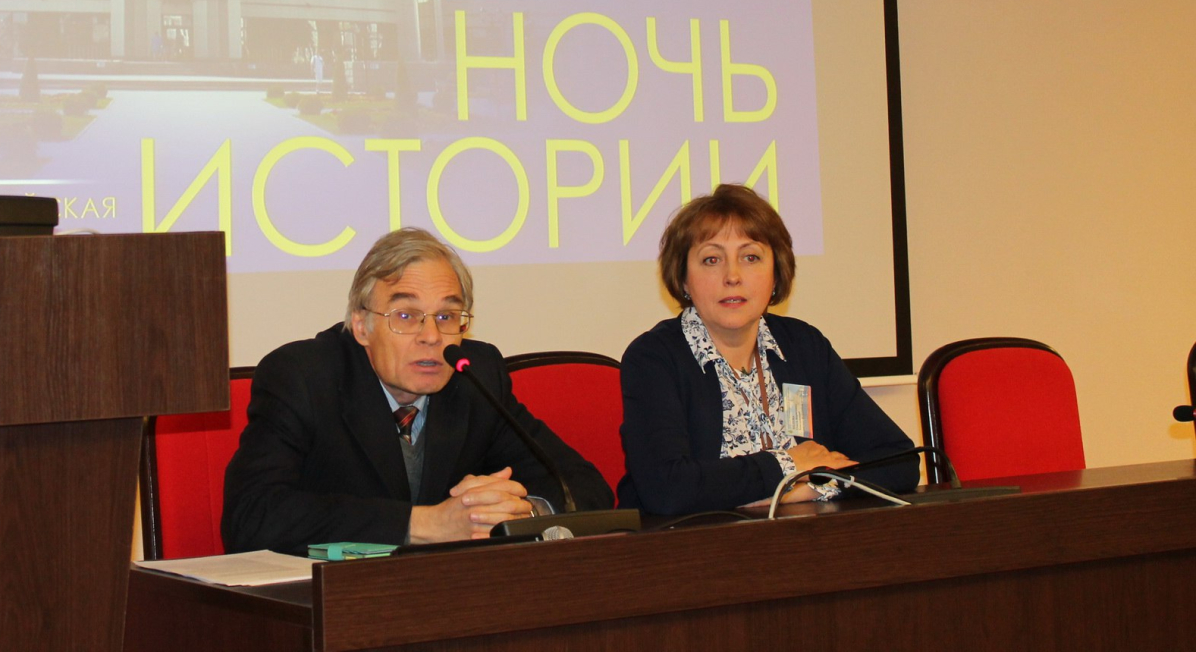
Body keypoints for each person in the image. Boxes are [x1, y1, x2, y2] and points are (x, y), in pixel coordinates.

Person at [222, 228, 613, 554]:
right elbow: (251, 516)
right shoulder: (304, 377)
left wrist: (517, 513)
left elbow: (582, 485)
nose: (431, 336)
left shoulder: (475, 376)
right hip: (334, 601)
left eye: (446, 316)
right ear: (361, 326)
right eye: (406, 316)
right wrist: (424, 524)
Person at [618, 184, 918, 515]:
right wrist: (787, 464)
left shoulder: (804, 346)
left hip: (805, 540)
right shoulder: (654, 358)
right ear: (684, 279)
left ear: (776, 274)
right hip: (694, 544)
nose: (732, 276)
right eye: (711, 259)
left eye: (751, 257)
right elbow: (667, 489)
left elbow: (899, 461)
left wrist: (804, 490)